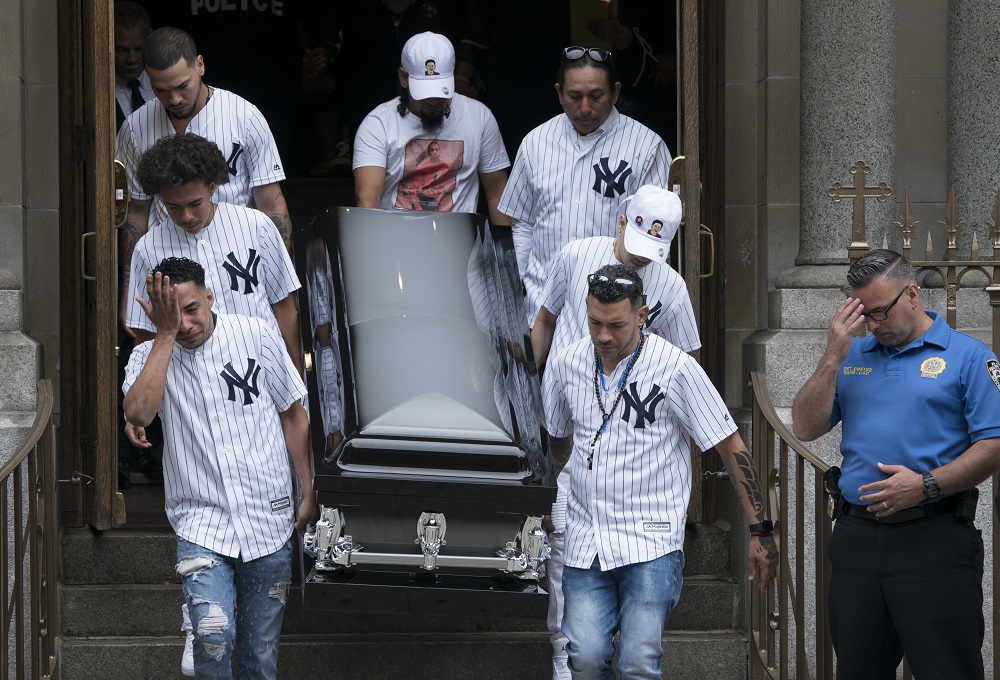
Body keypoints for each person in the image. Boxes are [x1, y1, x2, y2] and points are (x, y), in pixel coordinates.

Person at [543, 263, 777, 679]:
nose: (603, 336)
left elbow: (729, 445)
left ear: (642, 315)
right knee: (585, 657)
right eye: (594, 322)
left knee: (637, 662)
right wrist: (549, 501)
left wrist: (760, 530)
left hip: (650, 540)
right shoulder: (567, 364)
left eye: (616, 325)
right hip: (584, 537)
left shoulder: (676, 368)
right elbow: (560, 439)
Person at [124, 133, 302, 677]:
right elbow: (140, 330)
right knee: (213, 630)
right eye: (172, 206)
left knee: (256, 643)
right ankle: (200, 617)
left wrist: (291, 385)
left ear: (217, 186)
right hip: (187, 396)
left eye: (194, 203)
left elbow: (284, 309)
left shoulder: (255, 228)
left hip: (254, 381)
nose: (185, 215)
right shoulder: (149, 246)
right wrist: (147, 386)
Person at [791, 249, 1000, 680]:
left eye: (880, 312)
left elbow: (994, 444)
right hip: (857, 540)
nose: (872, 325)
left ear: (912, 294)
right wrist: (832, 355)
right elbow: (806, 426)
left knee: (947, 669)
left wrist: (926, 485)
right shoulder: (852, 355)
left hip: (933, 540)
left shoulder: (969, 357)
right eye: (863, 314)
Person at [531, 186, 698, 679]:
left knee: (635, 643)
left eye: (654, 254)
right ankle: (567, 668)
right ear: (622, 221)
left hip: (632, 443)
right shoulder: (575, 254)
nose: (643, 262)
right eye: (637, 247)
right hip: (569, 417)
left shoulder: (671, 288)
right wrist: (534, 397)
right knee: (562, 548)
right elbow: (544, 320)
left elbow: (688, 374)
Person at [497, 46, 672, 327]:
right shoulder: (535, 143)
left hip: (612, 317)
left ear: (615, 92)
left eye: (596, 96)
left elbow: (656, 240)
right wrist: (516, 299)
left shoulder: (647, 147)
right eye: (574, 97)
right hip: (541, 312)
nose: (585, 108)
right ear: (558, 93)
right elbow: (523, 227)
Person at [116, 26, 292, 278]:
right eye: (161, 90)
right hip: (167, 265)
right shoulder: (135, 127)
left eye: (182, 86)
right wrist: (129, 286)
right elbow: (136, 212)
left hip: (239, 259)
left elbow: (272, 205)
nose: (174, 98)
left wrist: (281, 281)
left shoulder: (244, 116)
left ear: (200, 65)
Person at [352, 31, 511, 224]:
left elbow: (497, 194)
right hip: (394, 243)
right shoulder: (378, 124)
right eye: (425, 92)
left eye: (441, 89)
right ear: (404, 78)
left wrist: (506, 251)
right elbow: (368, 202)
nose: (434, 100)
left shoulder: (479, 117)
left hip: (458, 245)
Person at [113, 1, 153, 133]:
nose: (132, 58)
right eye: (122, 50)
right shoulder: (96, 93)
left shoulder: (167, 83)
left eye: (139, 49)